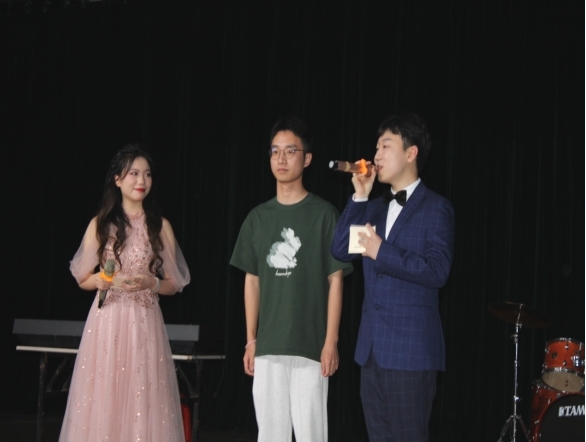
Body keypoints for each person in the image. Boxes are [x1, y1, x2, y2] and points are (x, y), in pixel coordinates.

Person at [331, 113, 455, 442]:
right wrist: (360, 196)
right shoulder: (373, 208)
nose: (376, 155)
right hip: (371, 351)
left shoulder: (436, 208)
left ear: (411, 153)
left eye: (386, 146)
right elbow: (340, 249)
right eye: (376, 147)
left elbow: (437, 270)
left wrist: (381, 251)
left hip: (411, 353)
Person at [230, 116, 353, 442]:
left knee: (312, 434)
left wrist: (331, 341)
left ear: (307, 158)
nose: (281, 159)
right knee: (271, 435)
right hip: (268, 347)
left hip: (311, 346)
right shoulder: (257, 218)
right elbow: (252, 281)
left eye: (290, 151)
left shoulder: (325, 214)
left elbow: (336, 280)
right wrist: (251, 339)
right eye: (275, 151)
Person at [59, 144, 190, 442]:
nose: (141, 180)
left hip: (144, 323)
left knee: (142, 397)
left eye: (147, 174)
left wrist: (150, 283)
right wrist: (99, 281)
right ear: (117, 179)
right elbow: (82, 278)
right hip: (107, 322)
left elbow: (174, 283)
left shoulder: (160, 226)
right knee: (105, 395)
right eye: (133, 173)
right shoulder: (101, 224)